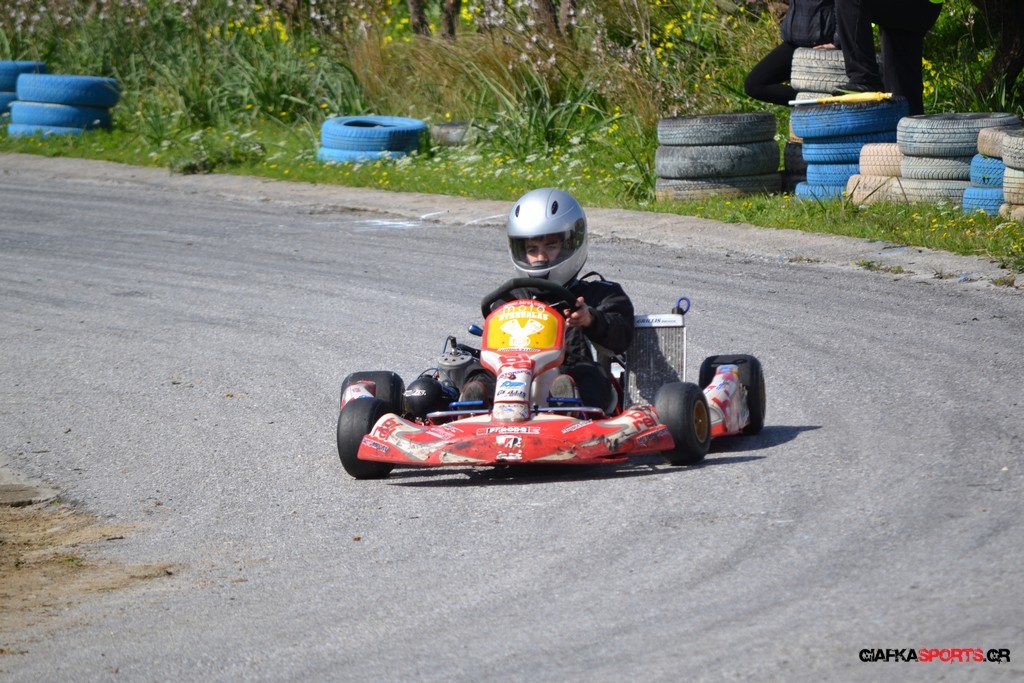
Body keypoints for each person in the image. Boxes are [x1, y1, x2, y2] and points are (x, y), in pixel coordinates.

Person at [460, 188, 634, 413]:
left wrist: (590, 319)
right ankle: (474, 403)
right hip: (511, 373)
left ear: (571, 243)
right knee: (477, 371)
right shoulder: (509, 299)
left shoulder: (600, 294)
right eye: (532, 249)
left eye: (550, 246)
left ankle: (567, 404)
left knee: (587, 376)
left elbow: (623, 335)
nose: (540, 258)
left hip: (569, 370)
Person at [832, 0, 943, 116]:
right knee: (903, 97)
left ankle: (864, 79)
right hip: (922, 7)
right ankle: (910, 123)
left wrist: (836, 37)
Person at [744, 0, 839, 106]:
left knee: (755, 85)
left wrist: (838, 42)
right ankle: (820, 103)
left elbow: (849, 8)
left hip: (822, 43)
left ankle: (830, 104)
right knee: (754, 85)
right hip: (794, 41)